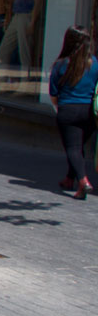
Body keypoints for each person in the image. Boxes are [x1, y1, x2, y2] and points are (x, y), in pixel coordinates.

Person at [47, 26, 98, 200]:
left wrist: (59, 108)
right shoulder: (95, 63)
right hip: (89, 112)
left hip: (68, 110)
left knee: (73, 148)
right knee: (77, 146)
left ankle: (83, 182)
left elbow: (53, 95)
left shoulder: (61, 64)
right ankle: (70, 179)